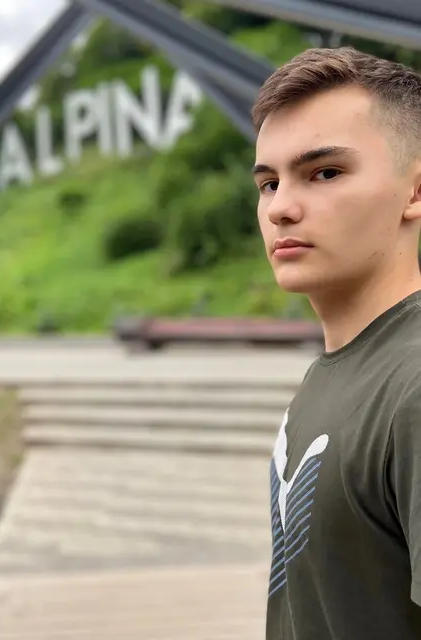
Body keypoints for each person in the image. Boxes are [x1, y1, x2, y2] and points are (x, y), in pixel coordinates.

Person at [252, 46, 421, 639]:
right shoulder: (335, 373)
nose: (281, 208)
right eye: (269, 183)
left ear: (415, 191)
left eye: (325, 173)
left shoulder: (413, 387)